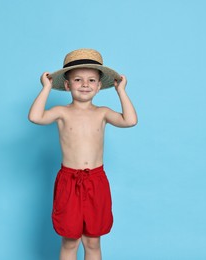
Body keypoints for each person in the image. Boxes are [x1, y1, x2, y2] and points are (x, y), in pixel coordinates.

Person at [28, 48, 137, 260]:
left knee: (93, 241)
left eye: (91, 80)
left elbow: (130, 121)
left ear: (98, 87)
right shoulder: (62, 112)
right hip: (69, 181)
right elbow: (35, 117)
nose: (85, 84)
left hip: (96, 181)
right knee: (70, 241)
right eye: (78, 79)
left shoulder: (103, 112)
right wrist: (46, 88)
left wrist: (121, 91)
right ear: (67, 85)